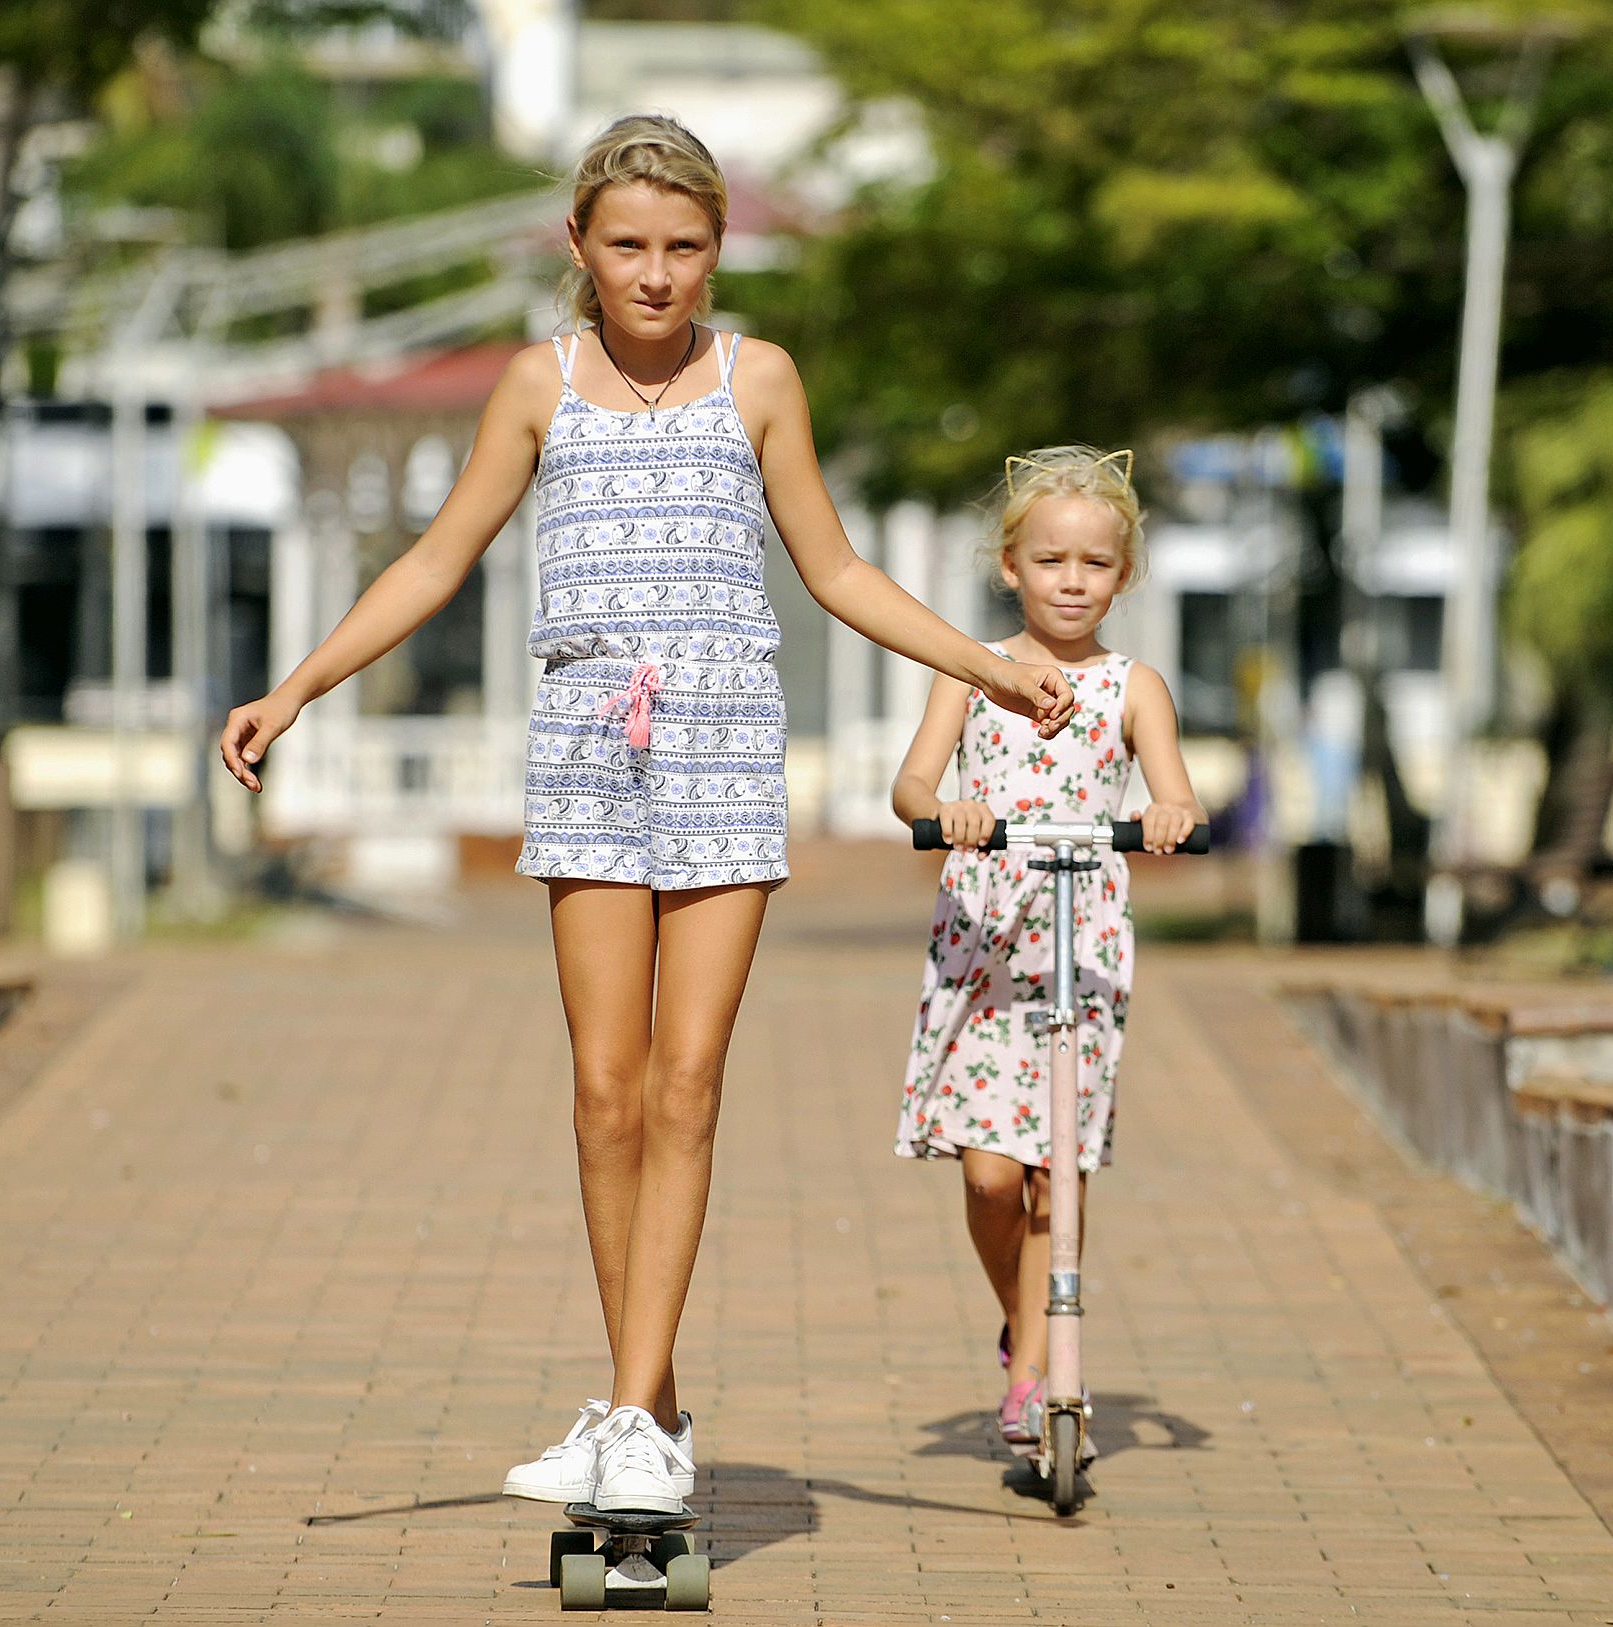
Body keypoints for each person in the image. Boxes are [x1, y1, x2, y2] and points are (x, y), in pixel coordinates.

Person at [217, 115, 1073, 1519]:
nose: (657, 274)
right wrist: (295, 686)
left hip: (725, 739)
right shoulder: (534, 384)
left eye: (684, 247)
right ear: (580, 248)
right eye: (628, 245)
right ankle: (645, 1403)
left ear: (718, 251)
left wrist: (991, 665)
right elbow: (436, 559)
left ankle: (629, 1410)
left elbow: (840, 570)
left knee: (686, 1083)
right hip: (583, 744)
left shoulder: (763, 379)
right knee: (606, 1088)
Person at [887, 445, 1206, 1446]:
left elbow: (1180, 793)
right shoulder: (974, 674)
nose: (1073, 581)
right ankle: (1020, 1325)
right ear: (1010, 564)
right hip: (987, 935)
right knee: (991, 1175)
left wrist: (1167, 814)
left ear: (1124, 575)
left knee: (1055, 1166)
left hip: (1085, 935)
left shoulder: (1133, 687)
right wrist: (953, 809)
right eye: (1053, 560)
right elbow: (910, 787)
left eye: (1095, 564)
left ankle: (1036, 1369)